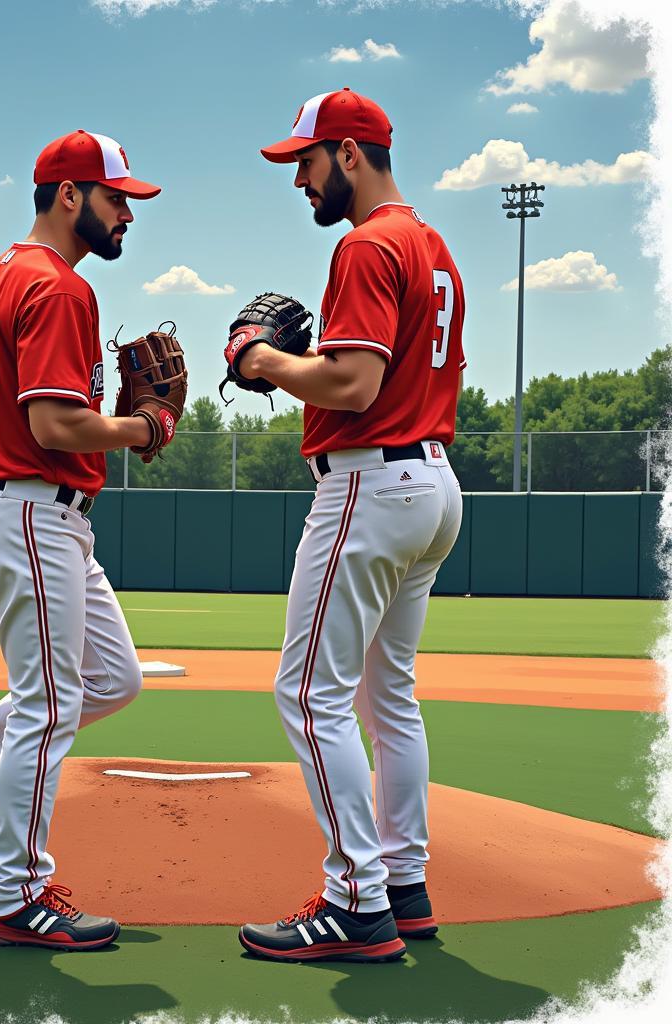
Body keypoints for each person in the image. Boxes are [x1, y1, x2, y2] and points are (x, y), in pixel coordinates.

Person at [0, 130, 168, 951]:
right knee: (51, 706)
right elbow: (55, 423)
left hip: (20, 510)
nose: (127, 215)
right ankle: (11, 896)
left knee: (111, 679)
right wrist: (144, 424)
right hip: (32, 511)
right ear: (68, 196)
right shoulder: (56, 288)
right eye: (117, 199)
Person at [233, 89, 466, 963]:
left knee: (307, 694)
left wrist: (261, 360)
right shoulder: (434, 249)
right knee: (387, 696)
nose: (299, 178)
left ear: (351, 155)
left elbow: (354, 383)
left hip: (369, 485)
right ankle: (403, 883)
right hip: (432, 481)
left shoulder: (367, 246)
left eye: (307, 159)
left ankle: (356, 901)